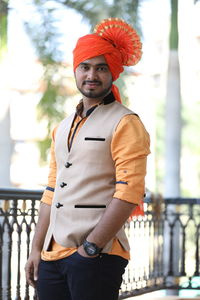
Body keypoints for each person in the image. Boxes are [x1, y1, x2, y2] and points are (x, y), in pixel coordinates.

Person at [25, 18, 150, 300]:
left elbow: (130, 191)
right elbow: (51, 191)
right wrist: (36, 250)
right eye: (85, 66)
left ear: (112, 73)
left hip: (96, 255)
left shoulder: (126, 122)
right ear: (76, 70)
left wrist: (91, 248)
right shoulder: (63, 126)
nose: (92, 74)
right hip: (51, 256)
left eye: (101, 68)